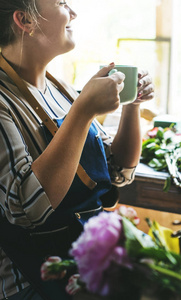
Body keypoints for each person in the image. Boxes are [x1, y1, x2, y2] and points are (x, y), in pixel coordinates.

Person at [0, 0, 154, 299]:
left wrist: (131, 106)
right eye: (61, 2)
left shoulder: (63, 90)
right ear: (24, 21)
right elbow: (25, 210)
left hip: (83, 265)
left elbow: (117, 172)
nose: (73, 13)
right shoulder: (4, 100)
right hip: (31, 280)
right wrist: (83, 112)